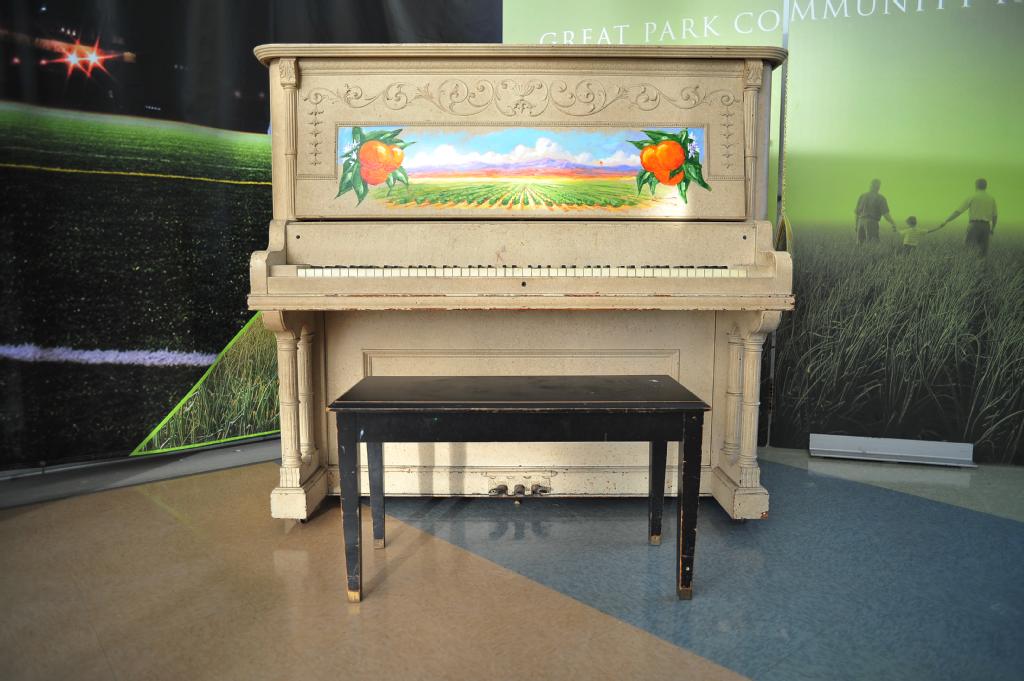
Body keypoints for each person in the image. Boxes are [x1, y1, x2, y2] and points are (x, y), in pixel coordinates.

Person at [935, 178, 998, 256]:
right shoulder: (991, 199)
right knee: (983, 251)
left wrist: (946, 220)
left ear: (976, 186)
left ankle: (970, 263)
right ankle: (982, 263)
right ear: (986, 186)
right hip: (986, 226)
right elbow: (995, 216)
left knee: (968, 248)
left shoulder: (972, 196)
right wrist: (993, 228)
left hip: (974, 225)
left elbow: (958, 211)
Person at [855, 179, 896, 244]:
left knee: (860, 245)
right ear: (878, 187)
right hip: (871, 222)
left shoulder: (862, 196)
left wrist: (856, 225)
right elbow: (886, 214)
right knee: (873, 244)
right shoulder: (880, 198)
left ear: (870, 186)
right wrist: (893, 223)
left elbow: (857, 213)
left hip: (860, 222)